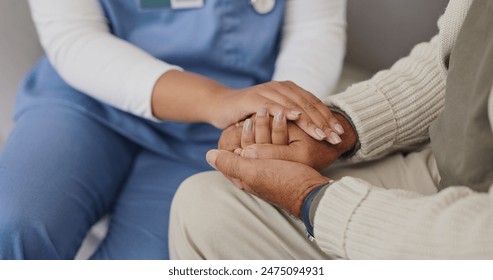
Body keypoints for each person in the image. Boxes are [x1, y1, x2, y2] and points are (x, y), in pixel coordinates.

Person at [0, 0, 347, 259]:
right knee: (14, 222)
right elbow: (73, 34)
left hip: (225, 127)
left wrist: (275, 116)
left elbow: (314, 30)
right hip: (87, 97)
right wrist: (213, 100)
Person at [169, 0, 493, 259]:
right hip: (448, 164)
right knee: (206, 206)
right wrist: (339, 129)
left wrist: (314, 201)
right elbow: (453, 56)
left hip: (471, 232)